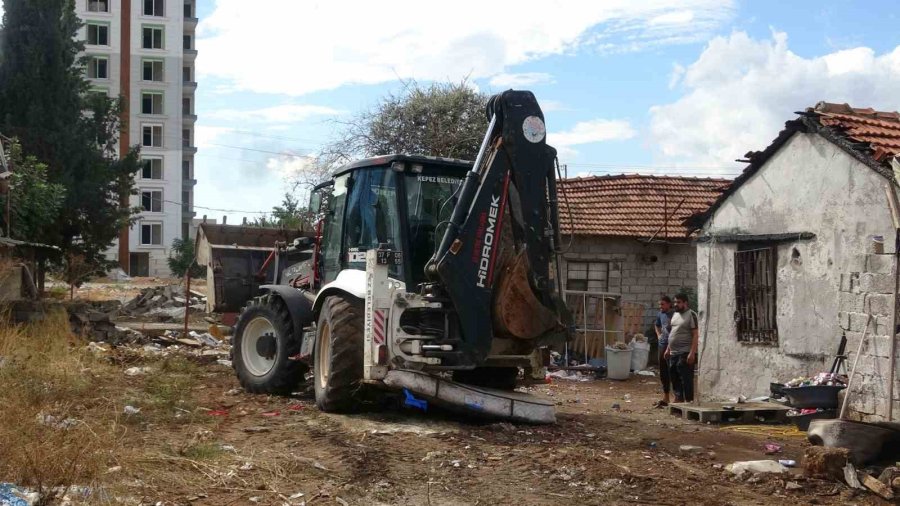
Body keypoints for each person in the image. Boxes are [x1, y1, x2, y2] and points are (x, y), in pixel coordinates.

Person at [664, 293, 699, 403]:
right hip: (673, 352)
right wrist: (668, 349)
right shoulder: (675, 315)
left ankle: (689, 401)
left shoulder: (691, 315)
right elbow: (673, 333)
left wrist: (692, 353)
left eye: (678, 302)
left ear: (685, 303)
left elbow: (695, 334)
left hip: (685, 352)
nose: (676, 304)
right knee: (674, 376)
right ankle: (678, 399)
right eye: (675, 302)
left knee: (686, 378)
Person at [653, 295, 674, 407]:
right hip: (662, 345)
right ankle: (666, 397)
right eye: (659, 304)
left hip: (672, 346)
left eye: (662, 304)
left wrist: (670, 347)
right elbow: (656, 325)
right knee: (663, 372)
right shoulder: (660, 314)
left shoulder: (674, 315)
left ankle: (677, 397)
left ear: (669, 304)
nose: (660, 307)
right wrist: (659, 335)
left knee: (673, 372)